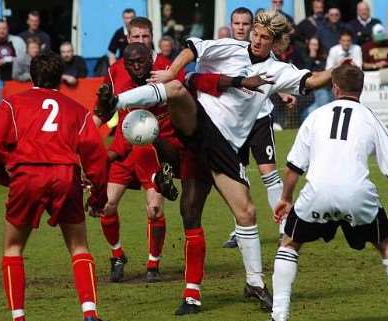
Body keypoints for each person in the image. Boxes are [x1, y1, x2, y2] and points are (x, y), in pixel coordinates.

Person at [110, 9, 334, 315]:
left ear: (275, 41)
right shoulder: (230, 47)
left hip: (224, 147)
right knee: (176, 88)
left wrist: (337, 73)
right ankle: (192, 294)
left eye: (263, 36)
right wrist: (171, 71)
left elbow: (310, 80)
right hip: (200, 123)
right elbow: (193, 48)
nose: (255, 39)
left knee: (246, 212)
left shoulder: (279, 70)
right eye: (254, 32)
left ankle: (254, 284)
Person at [271, 63, 388, 321]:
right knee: (386, 244)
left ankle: (279, 314)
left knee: (290, 243)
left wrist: (285, 199)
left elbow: (293, 168)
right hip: (357, 196)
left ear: (334, 88)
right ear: (362, 89)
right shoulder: (371, 118)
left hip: (317, 193)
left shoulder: (316, 116)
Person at [0, 51, 107, 321]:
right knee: (79, 246)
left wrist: (2, 174)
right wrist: (98, 197)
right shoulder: (76, 109)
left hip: (28, 175)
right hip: (66, 175)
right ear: (59, 78)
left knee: (13, 248)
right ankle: (89, 312)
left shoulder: (12, 103)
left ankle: (18, 317)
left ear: (31, 76)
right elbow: (95, 155)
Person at [92, 17, 178, 285]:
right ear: (127, 39)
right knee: (106, 206)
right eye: (135, 37)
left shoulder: (166, 66)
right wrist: (83, 136)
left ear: (151, 37)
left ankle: (153, 264)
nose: (139, 41)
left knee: (154, 209)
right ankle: (117, 255)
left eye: (144, 37)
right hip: (122, 149)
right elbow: (103, 110)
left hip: (153, 151)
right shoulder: (115, 70)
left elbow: (181, 100)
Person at [223, 7, 292, 248]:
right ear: (232, 25)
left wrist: (284, 93)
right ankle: (239, 229)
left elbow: (275, 76)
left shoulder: (267, 54)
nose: (241, 28)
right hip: (235, 123)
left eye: (245, 24)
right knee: (237, 177)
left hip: (260, 120)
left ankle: (284, 227)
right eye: (237, 23)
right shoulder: (227, 52)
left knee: (269, 174)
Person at [300, 36, 330, 119]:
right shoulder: (303, 56)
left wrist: (317, 74)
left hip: (321, 87)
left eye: (316, 45)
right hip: (307, 90)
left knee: (323, 96)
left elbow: (325, 71)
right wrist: (311, 57)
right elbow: (304, 71)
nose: (314, 47)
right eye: (312, 44)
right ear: (308, 45)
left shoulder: (323, 58)